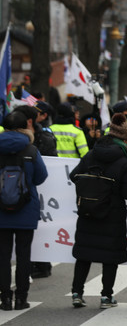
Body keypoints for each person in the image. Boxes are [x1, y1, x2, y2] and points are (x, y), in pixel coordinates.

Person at [69, 113, 127, 309]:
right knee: (110, 256)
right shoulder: (124, 162)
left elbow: (74, 175)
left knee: (84, 254)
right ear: (125, 139)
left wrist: (90, 187)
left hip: (88, 211)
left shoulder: (92, 154)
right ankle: (106, 296)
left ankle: (76, 292)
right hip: (112, 214)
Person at [0, 111, 48, 311]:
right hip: (26, 209)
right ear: (25, 127)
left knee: (2, 256)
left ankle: (5, 299)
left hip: (0, 211)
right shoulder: (31, 150)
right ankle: (21, 298)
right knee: (23, 255)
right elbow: (41, 177)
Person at [12, 105, 57, 279]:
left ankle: (41, 265)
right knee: (24, 246)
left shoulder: (42, 137)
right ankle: (21, 293)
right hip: (28, 198)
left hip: (33, 196)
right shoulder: (31, 145)